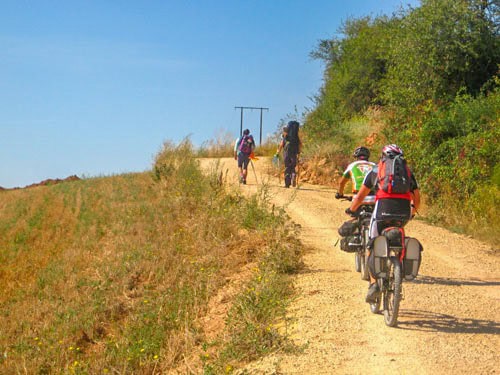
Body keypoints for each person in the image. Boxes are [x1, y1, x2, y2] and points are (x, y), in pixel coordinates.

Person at [346, 144, 420, 303]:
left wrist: (352, 210)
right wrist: (412, 212)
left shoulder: (376, 170)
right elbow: (417, 197)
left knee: (372, 243)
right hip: (403, 211)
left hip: (383, 209)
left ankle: (374, 284)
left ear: (383, 156)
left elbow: (360, 196)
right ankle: (398, 269)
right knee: (399, 235)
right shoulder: (407, 172)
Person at [276, 121, 302, 188]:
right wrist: (299, 153)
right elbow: (300, 145)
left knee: (287, 167)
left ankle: (287, 184)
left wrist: (278, 152)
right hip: (294, 154)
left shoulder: (286, 137)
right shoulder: (296, 138)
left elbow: (281, 144)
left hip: (287, 154)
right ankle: (293, 175)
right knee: (293, 167)